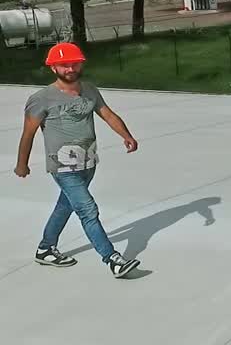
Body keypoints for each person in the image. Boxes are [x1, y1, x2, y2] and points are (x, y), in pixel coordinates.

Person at [13, 42, 142, 278]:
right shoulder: (41, 99)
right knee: (87, 209)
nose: (70, 68)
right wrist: (22, 164)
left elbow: (108, 115)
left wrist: (126, 135)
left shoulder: (90, 90)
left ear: (81, 63)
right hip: (63, 166)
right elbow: (28, 133)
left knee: (66, 206)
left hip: (88, 163)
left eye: (74, 63)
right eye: (63, 65)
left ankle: (45, 248)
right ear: (53, 68)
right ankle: (113, 259)